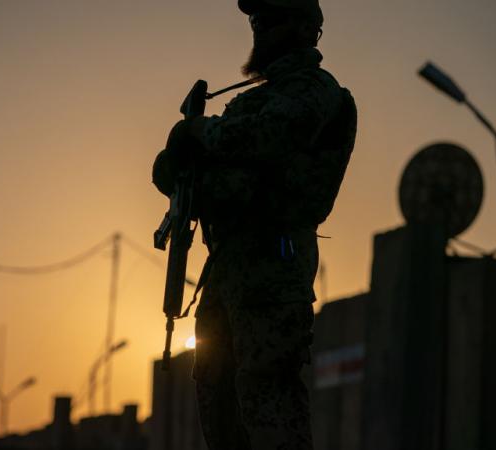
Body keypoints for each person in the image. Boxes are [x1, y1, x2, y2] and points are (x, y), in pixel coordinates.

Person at [152, 0, 357, 448]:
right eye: (255, 21)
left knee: (268, 399)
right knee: (217, 398)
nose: (259, 30)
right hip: (226, 270)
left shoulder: (316, 91)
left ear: (305, 28)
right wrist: (177, 162)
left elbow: (266, 139)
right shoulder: (249, 101)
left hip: (273, 270)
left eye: (270, 20)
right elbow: (193, 172)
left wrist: (201, 135)